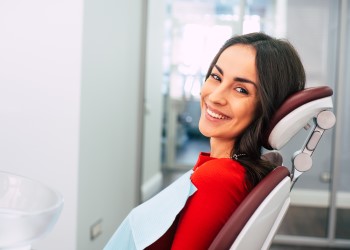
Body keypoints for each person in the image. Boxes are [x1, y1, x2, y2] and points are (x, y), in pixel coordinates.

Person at [104, 32, 306, 250]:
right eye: (216, 77)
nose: (215, 96)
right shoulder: (227, 170)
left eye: (241, 90)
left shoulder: (218, 180)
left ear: (269, 107)